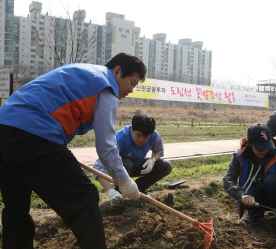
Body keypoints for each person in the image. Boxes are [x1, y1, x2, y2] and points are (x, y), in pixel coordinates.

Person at [0, 52, 146, 249]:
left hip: (5, 130)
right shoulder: (107, 87)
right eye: (132, 82)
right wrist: (123, 180)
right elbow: (106, 145)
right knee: (85, 198)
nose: (130, 90)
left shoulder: (81, 71)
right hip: (34, 134)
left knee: (15, 208)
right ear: (117, 71)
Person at [93, 114, 172, 206]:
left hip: (139, 165)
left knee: (166, 166)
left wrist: (152, 160)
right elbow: (98, 167)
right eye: (138, 135)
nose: (141, 140)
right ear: (132, 129)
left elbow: (158, 150)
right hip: (121, 170)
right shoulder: (119, 139)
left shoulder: (154, 135)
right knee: (126, 163)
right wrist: (110, 190)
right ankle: (119, 193)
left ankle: (138, 189)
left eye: (145, 137)